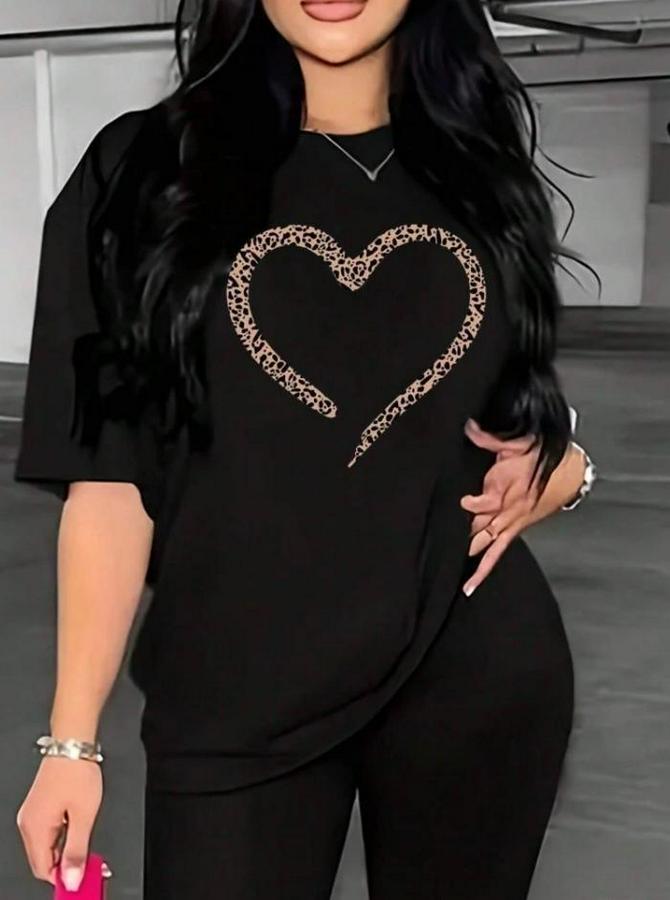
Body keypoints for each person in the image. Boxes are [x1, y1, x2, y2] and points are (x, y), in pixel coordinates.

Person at [14, 1, 596, 897]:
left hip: (473, 674)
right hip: (233, 690)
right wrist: (72, 742)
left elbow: (511, 416)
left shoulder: (475, 167)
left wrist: (567, 469)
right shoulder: (143, 173)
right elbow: (109, 478)